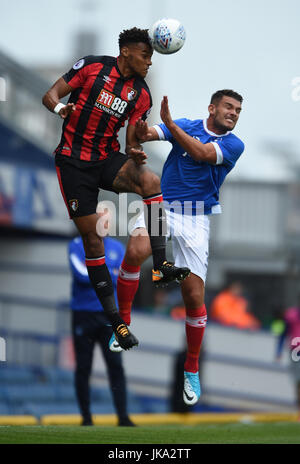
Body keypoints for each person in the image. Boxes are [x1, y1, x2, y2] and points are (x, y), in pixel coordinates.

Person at [42, 27, 190, 352]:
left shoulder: (142, 93)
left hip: (107, 158)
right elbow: (49, 96)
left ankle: (162, 265)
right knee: (93, 241)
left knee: (149, 180)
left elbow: (132, 143)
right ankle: (118, 324)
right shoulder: (91, 67)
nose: (150, 62)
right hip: (73, 164)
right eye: (145, 55)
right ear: (126, 52)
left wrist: (136, 152)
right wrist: (59, 110)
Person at [114, 90, 245, 406]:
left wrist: (171, 125)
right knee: (133, 253)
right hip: (164, 208)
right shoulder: (186, 124)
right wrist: (139, 125)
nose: (234, 113)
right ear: (212, 107)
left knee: (193, 298)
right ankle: (123, 323)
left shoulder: (233, 144)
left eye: (238, 110)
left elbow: (200, 153)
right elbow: (147, 135)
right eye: (229, 106)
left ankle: (191, 368)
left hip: (196, 220)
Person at [69, 231, 135, 427]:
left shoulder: (117, 247)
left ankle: (123, 417)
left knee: (115, 365)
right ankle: (86, 417)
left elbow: (123, 276)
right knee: (83, 367)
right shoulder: (75, 244)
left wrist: (100, 275)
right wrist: (109, 274)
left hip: (109, 316)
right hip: (83, 313)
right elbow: (80, 274)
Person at [275, 298, 300, 420]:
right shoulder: (291, 316)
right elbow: (283, 333)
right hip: (296, 350)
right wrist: (278, 350)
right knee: (298, 381)